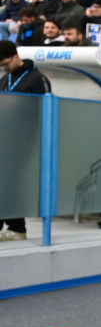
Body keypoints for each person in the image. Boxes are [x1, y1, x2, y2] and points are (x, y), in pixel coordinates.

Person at [0, 39, 51, 241]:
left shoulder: (37, 79)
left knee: (11, 183)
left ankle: (17, 228)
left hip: (24, 143)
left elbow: (44, 112)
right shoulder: (4, 79)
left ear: (16, 56)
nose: (4, 68)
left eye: (5, 64)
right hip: (5, 140)